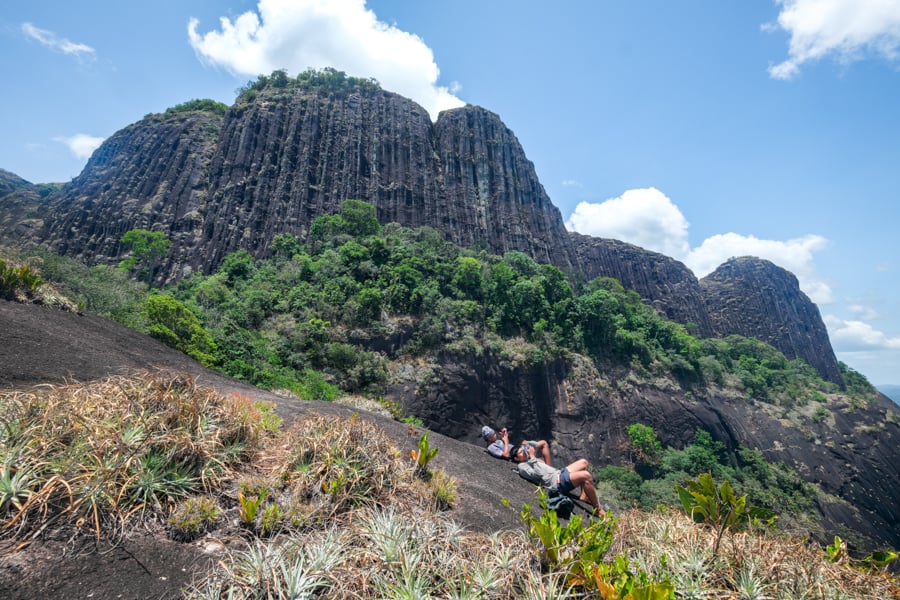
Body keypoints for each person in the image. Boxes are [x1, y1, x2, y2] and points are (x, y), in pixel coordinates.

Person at [510, 443, 604, 516]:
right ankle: (598, 510)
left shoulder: (529, 461)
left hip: (559, 473)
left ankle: (584, 496)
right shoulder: (522, 467)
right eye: (521, 452)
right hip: (557, 482)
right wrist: (532, 457)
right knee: (586, 475)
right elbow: (538, 475)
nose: (524, 452)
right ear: (516, 458)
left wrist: (533, 456)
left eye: (523, 450)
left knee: (584, 462)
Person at [481, 425, 551, 464]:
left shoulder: (496, 441)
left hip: (518, 448)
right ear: (489, 438)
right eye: (492, 435)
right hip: (517, 454)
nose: (495, 434)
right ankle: (548, 468)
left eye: (494, 433)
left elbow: (506, 444)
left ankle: (547, 467)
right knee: (543, 445)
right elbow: (506, 455)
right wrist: (506, 441)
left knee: (543, 444)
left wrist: (504, 435)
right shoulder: (491, 447)